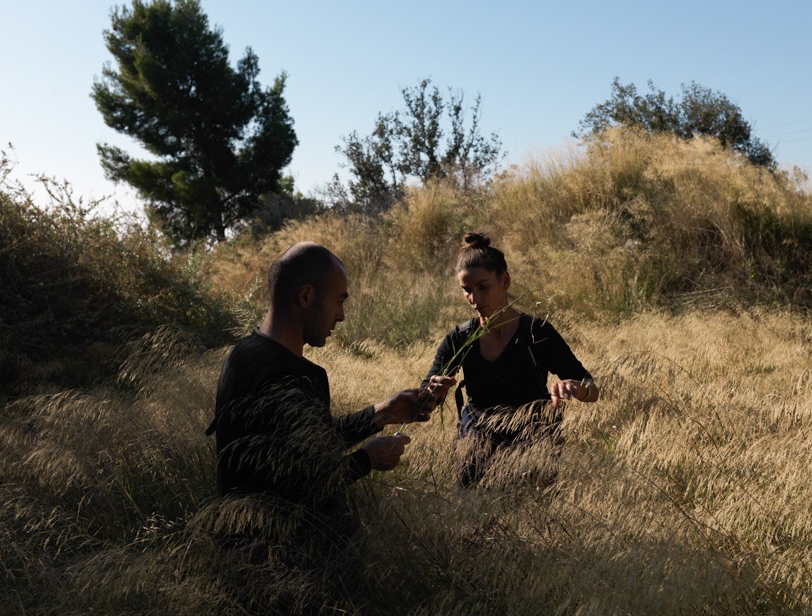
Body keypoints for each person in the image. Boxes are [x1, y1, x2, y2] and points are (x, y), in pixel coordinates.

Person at [206, 242, 455, 562]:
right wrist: (367, 460)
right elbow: (304, 485)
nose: (341, 316)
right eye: (339, 301)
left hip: (246, 552)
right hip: (283, 564)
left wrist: (381, 414)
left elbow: (306, 447)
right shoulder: (291, 375)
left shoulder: (245, 355)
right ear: (307, 296)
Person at [422, 233, 599, 486]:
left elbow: (591, 388)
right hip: (477, 448)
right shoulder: (460, 338)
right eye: (467, 291)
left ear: (504, 281)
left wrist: (577, 388)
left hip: (534, 445)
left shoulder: (536, 332)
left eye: (483, 287)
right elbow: (423, 397)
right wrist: (432, 392)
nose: (474, 299)